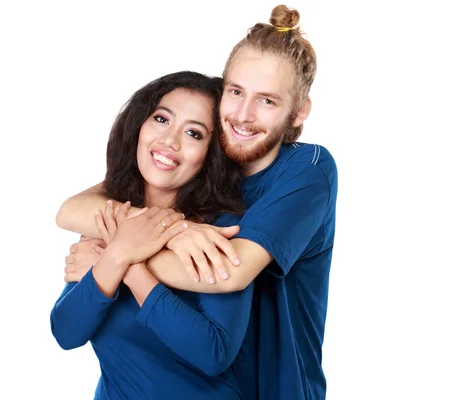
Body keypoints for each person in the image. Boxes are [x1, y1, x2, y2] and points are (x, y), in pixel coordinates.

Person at [57, 5, 338, 399]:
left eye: (267, 101)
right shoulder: (186, 175)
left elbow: (228, 275)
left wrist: (120, 256)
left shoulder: (306, 172)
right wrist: (169, 232)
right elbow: (70, 210)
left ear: (299, 111)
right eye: (236, 92)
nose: (242, 115)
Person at [50, 71, 255, 400]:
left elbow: (214, 352)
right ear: (138, 126)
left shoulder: (218, 231)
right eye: (161, 118)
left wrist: (125, 262)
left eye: (193, 133)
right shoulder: (111, 214)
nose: (170, 141)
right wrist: (119, 252)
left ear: (211, 154)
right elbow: (66, 331)